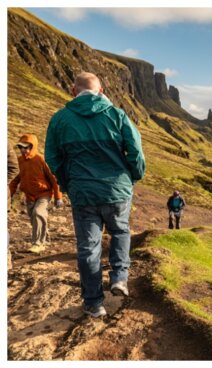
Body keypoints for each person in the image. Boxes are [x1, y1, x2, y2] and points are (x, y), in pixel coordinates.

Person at [45, 72, 145, 318]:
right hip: (117, 190)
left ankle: (94, 303)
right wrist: (132, 177)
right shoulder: (117, 115)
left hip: (83, 193)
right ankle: (120, 278)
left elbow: (52, 158)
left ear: (73, 90)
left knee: (88, 248)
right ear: (101, 91)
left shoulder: (60, 119)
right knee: (120, 231)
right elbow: (136, 152)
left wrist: (68, 184)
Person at [8, 134, 63, 252]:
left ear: (32, 146)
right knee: (34, 218)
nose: (23, 150)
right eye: (20, 147)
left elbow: (53, 179)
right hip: (29, 196)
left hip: (44, 194)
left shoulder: (41, 160)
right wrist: (8, 195)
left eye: (26, 147)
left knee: (38, 213)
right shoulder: (19, 161)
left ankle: (38, 244)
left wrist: (58, 197)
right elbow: (14, 181)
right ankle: (45, 239)